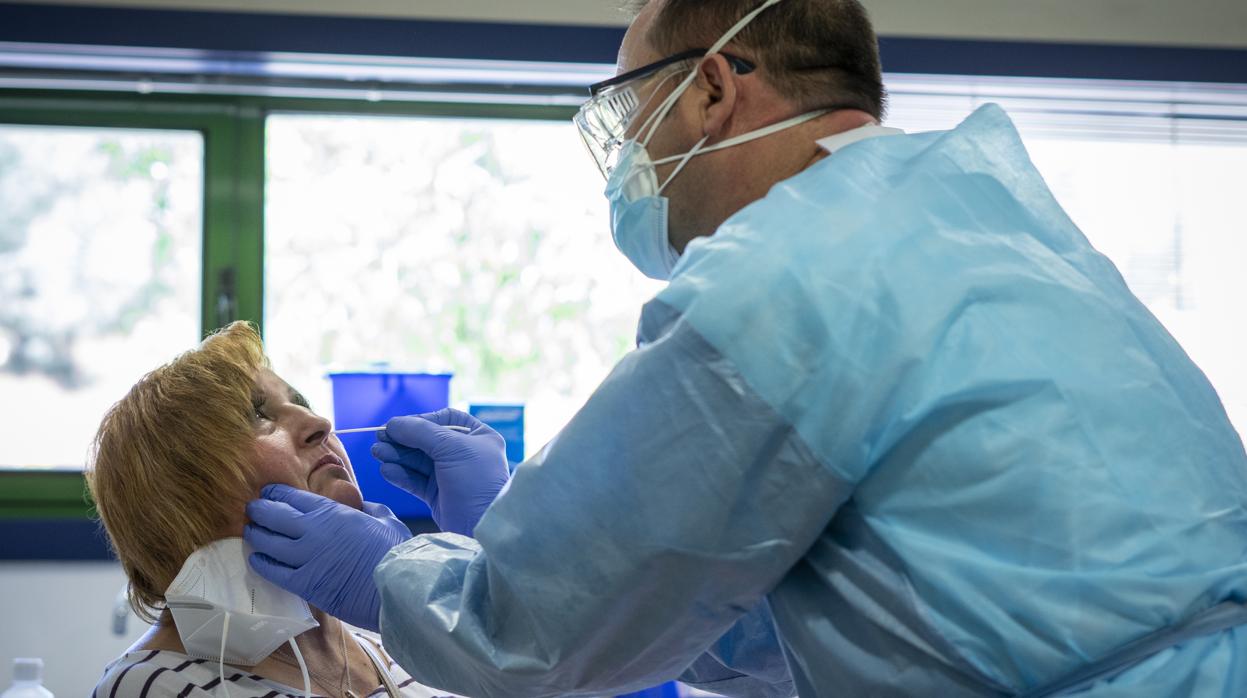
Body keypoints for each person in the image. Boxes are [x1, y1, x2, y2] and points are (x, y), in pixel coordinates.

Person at [244, 0, 1247, 696]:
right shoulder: (984, 218)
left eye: (629, 123)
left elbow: (531, 633)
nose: (628, 170)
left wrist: (392, 576)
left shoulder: (781, 278)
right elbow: (853, 612)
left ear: (711, 90)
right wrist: (511, 532)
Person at [88, 322, 469, 698]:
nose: (320, 424)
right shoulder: (151, 683)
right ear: (177, 497)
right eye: (258, 415)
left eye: (300, 403)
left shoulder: (399, 647)